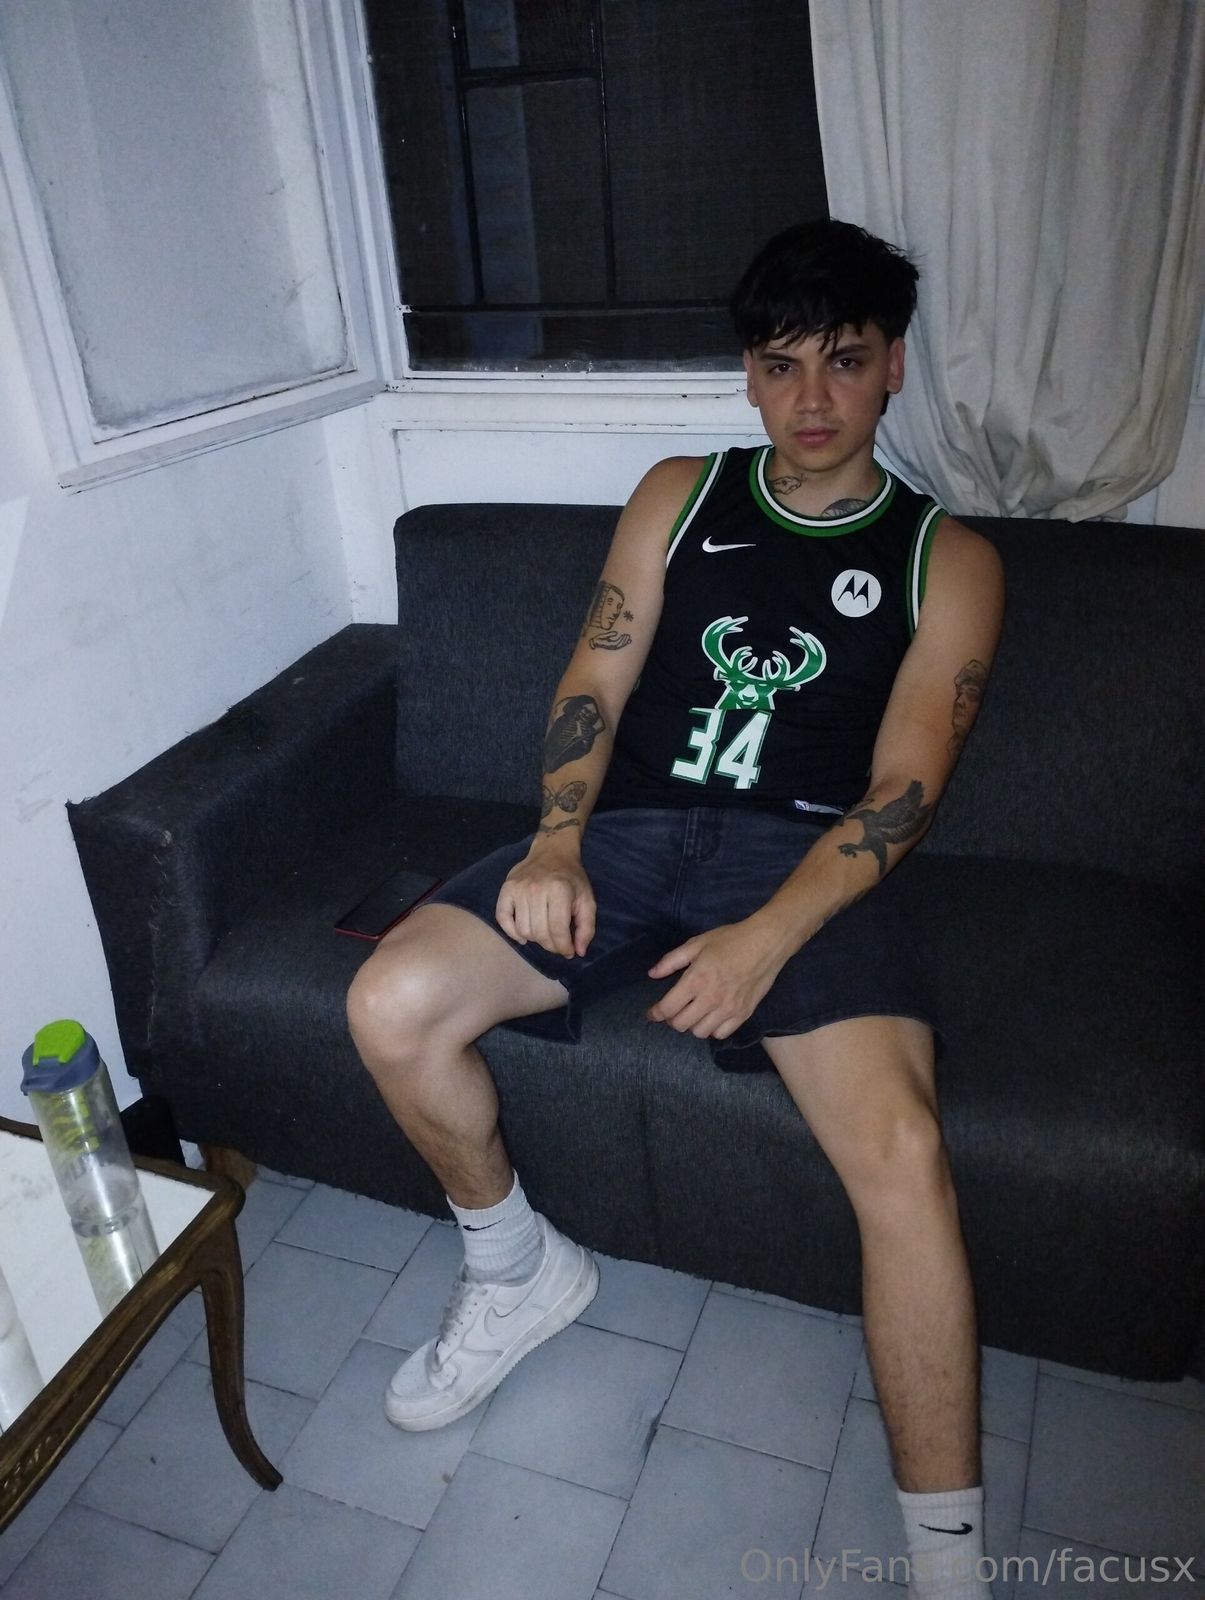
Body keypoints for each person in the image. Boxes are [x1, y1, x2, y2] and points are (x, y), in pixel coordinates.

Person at [348, 218, 1004, 1600]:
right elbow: (595, 680)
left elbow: (906, 787)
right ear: (748, 375)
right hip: (629, 836)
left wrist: (767, 939)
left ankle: (946, 1563)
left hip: (804, 863)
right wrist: (555, 842)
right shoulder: (678, 495)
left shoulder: (945, 557)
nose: (811, 399)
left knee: (902, 1153)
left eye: (844, 361)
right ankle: (515, 1269)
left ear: (893, 367)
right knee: (389, 1002)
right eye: (780, 364)